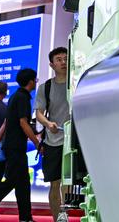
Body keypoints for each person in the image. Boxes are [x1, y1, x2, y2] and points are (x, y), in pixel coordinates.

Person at [0, 69, 40, 222]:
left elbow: (5, 124)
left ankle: (26, 217)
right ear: (31, 81)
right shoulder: (22, 98)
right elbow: (23, 123)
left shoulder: (14, 97)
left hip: (8, 147)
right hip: (15, 148)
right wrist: (37, 143)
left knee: (23, 184)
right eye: (35, 80)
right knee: (10, 181)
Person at [35, 47, 70, 222]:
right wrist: (48, 124)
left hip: (74, 142)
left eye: (66, 58)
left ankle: (65, 214)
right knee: (55, 183)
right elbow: (39, 113)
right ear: (51, 64)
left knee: (69, 182)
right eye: (59, 59)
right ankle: (57, 218)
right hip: (53, 140)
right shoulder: (46, 87)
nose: (63, 62)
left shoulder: (76, 83)